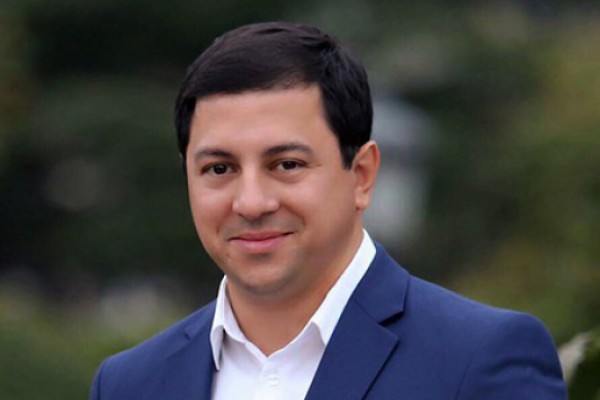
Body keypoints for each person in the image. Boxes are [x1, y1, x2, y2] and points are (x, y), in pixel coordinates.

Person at [90, 22, 567, 399]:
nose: (251, 202)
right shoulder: (129, 383)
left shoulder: (479, 358)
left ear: (361, 175)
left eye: (287, 164)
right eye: (219, 169)